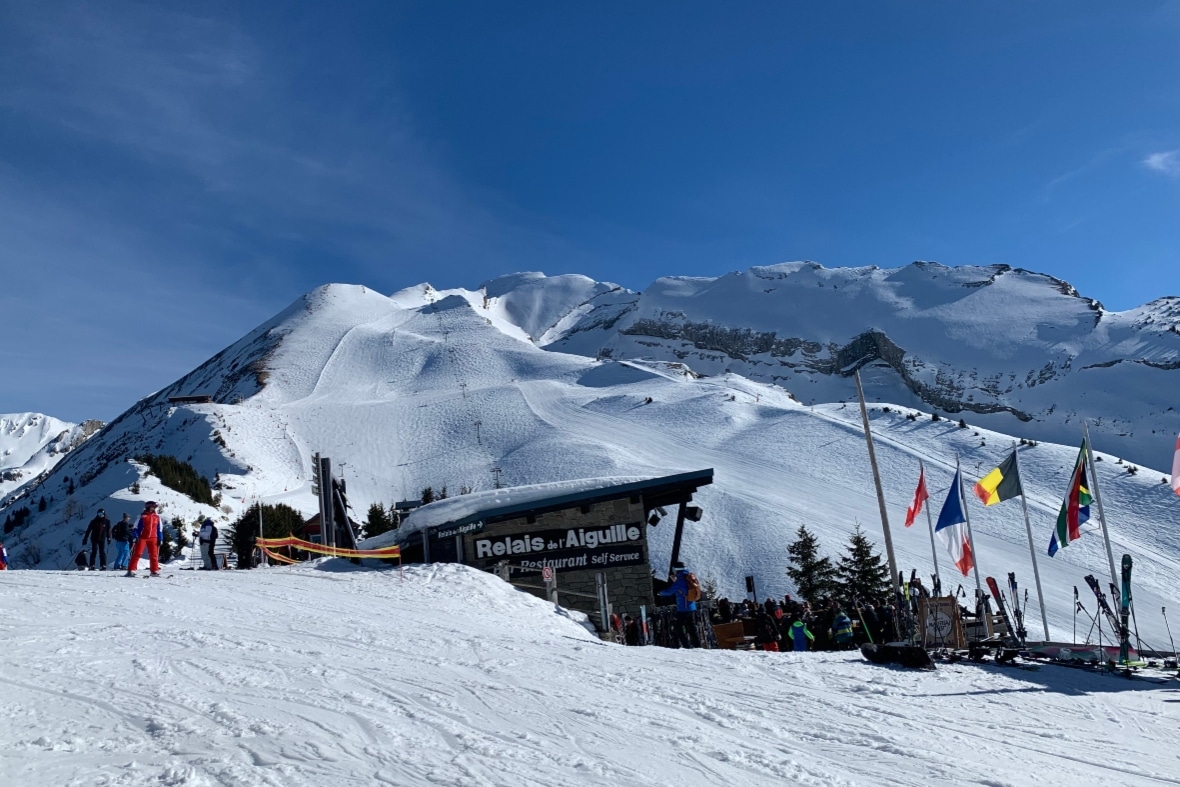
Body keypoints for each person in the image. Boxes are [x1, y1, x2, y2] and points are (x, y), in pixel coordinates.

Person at [658, 562, 701, 648]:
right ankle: (697, 645)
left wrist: (660, 592)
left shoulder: (680, 581)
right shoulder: (688, 577)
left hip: (683, 608)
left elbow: (669, 591)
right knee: (691, 627)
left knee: (678, 627)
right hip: (691, 606)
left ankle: (686, 646)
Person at [125, 501, 162, 578]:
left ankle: (154, 571)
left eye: (154, 507)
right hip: (142, 537)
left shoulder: (157, 517)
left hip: (153, 538)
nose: (154, 508)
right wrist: (135, 536)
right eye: (153, 506)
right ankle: (131, 570)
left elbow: (160, 529)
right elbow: (136, 527)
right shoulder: (142, 516)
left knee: (154, 555)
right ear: (148, 507)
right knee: (137, 553)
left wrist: (160, 538)